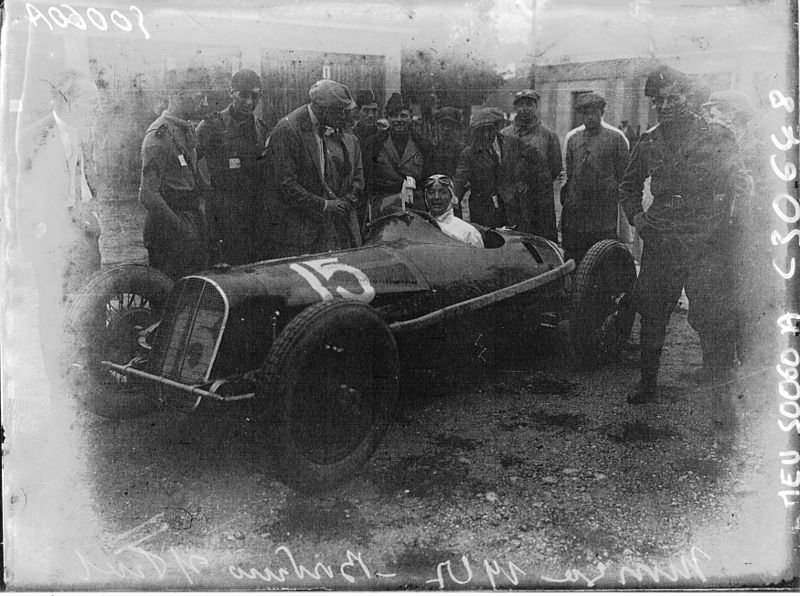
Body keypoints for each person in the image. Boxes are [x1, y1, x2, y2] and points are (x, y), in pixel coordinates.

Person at [618, 66, 746, 427]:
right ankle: (648, 383)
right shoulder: (650, 140)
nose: (664, 106)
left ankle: (721, 396)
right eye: (658, 100)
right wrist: (638, 221)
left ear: (689, 96)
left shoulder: (718, 136)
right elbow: (628, 187)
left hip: (705, 238)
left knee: (711, 315)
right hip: (661, 236)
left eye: (671, 97)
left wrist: (725, 229)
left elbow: (738, 185)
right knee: (652, 309)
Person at [15, 70, 102, 387]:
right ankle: (58, 377)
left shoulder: (86, 132)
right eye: (90, 102)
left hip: (84, 229)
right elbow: (24, 195)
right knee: (54, 304)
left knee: (90, 300)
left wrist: (89, 215)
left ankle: (87, 369)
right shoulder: (33, 137)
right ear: (69, 101)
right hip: (53, 232)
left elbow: (90, 180)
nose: (96, 109)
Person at [262, 79, 363, 258]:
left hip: (315, 231)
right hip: (292, 235)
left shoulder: (320, 126)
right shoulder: (288, 130)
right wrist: (325, 205)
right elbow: (287, 186)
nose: (343, 117)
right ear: (324, 109)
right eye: (340, 111)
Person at [139, 67, 211, 279]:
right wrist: (182, 229)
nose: (204, 103)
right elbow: (147, 195)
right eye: (199, 97)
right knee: (168, 299)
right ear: (178, 94)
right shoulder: (158, 136)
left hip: (190, 222)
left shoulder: (185, 129)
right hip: (168, 231)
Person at [196, 69, 268, 265]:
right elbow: (189, 161)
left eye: (255, 96)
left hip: (253, 214)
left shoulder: (261, 128)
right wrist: (207, 192)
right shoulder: (212, 126)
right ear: (231, 93)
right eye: (243, 95)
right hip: (223, 216)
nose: (249, 102)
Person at [453, 108, 554, 239]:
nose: (486, 135)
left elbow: (538, 161)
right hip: (484, 211)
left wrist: (526, 181)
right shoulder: (468, 154)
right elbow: (459, 179)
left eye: (489, 129)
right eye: (481, 130)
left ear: (496, 127)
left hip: (512, 208)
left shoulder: (512, 143)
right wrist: (453, 199)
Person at [560, 92, 630, 265]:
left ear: (601, 112)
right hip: (576, 212)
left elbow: (624, 177)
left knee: (602, 257)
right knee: (574, 257)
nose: (590, 117)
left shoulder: (616, 138)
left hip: (603, 212)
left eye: (594, 112)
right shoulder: (573, 138)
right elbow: (568, 174)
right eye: (585, 113)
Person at [363, 92, 434, 210]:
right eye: (394, 116)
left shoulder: (423, 144)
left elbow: (429, 179)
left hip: (416, 207)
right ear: (386, 117)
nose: (399, 120)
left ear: (411, 117)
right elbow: (368, 180)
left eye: (403, 115)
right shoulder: (374, 143)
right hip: (384, 206)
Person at [501, 89, 563, 223]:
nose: (525, 109)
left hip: (539, 199)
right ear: (515, 107)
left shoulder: (548, 136)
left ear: (536, 107)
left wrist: (534, 182)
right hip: (511, 199)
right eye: (521, 105)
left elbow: (555, 167)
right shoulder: (504, 135)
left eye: (529, 105)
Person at [423, 174, 483, 247]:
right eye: (431, 192)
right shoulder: (418, 227)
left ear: (451, 197)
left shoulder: (468, 233)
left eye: (443, 192)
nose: (436, 197)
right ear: (426, 197)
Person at [430, 107, 466, 180]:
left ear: (456, 127)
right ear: (438, 126)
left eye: (450, 124)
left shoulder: (463, 150)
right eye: (443, 125)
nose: (446, 128)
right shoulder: (432, 149)